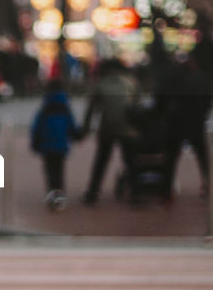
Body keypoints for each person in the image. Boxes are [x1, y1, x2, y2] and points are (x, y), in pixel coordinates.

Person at [81, 58, 138, 204]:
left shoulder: (100, 84)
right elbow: (138, 105)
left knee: (101, 160)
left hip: (107, 127)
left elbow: (91, 110)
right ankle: (136, 192)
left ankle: (93, 193)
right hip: (128, 127)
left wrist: (85, 130)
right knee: (130, 160)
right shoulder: (130, 82)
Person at [157, 53, 213, 200]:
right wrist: (203, 113)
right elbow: (209, 99)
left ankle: (167, 189)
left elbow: (161, 99)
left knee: (171, 157)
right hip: (196, 122)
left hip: (176, 122)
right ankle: (207, 185)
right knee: (202, 156)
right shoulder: (200, 78)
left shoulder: (172, 79)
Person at [29, 79, 79, 210]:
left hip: (47, 147)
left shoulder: (45, 108)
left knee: (50, 172)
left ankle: (52, 194)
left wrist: (35, 143)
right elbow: (71, 126)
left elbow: (36, 127)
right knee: (60, 171)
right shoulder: (65, 108)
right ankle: (60, 195)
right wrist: (75, 135)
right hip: (61, 146)